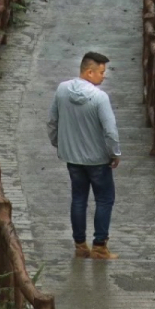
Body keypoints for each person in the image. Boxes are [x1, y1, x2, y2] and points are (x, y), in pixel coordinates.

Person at [47, 50, 121, 260]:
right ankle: (99, 246)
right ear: (89, 72)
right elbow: (110, 130)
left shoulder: (62, 90)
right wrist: (115, 153)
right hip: (98, 160)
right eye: (101, 72)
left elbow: (52, 121)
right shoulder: (99, 98)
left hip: (73, 158)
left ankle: (80, 245)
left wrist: (58, 143)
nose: (103, 76)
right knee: (104, 200)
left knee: (78, 199)